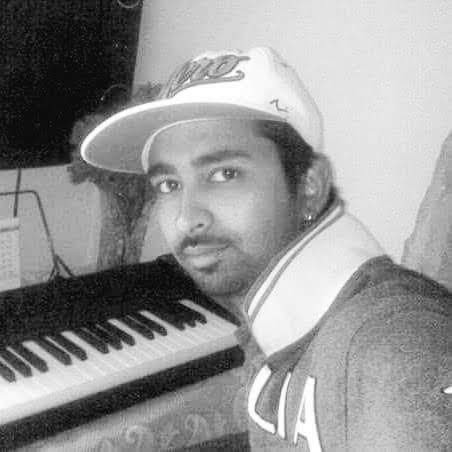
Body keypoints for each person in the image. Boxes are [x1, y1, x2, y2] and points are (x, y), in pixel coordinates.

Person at [81, 47, 451, 451]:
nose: (186, 218)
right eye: (168, 184)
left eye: (224, 173)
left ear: (310, 186)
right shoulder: (272, 311)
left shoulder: (392, 346)